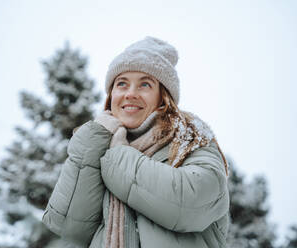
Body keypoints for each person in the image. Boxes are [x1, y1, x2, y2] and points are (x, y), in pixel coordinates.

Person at [42, 36, 230, 248]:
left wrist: (118, 155)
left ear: (163, 96)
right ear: (112, 94)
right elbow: (69, 228)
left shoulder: (191, 140)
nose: (130, 94)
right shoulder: (97, 147)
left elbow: (192, 205)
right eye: (122, 84)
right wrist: (92, 143)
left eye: (145, 84)